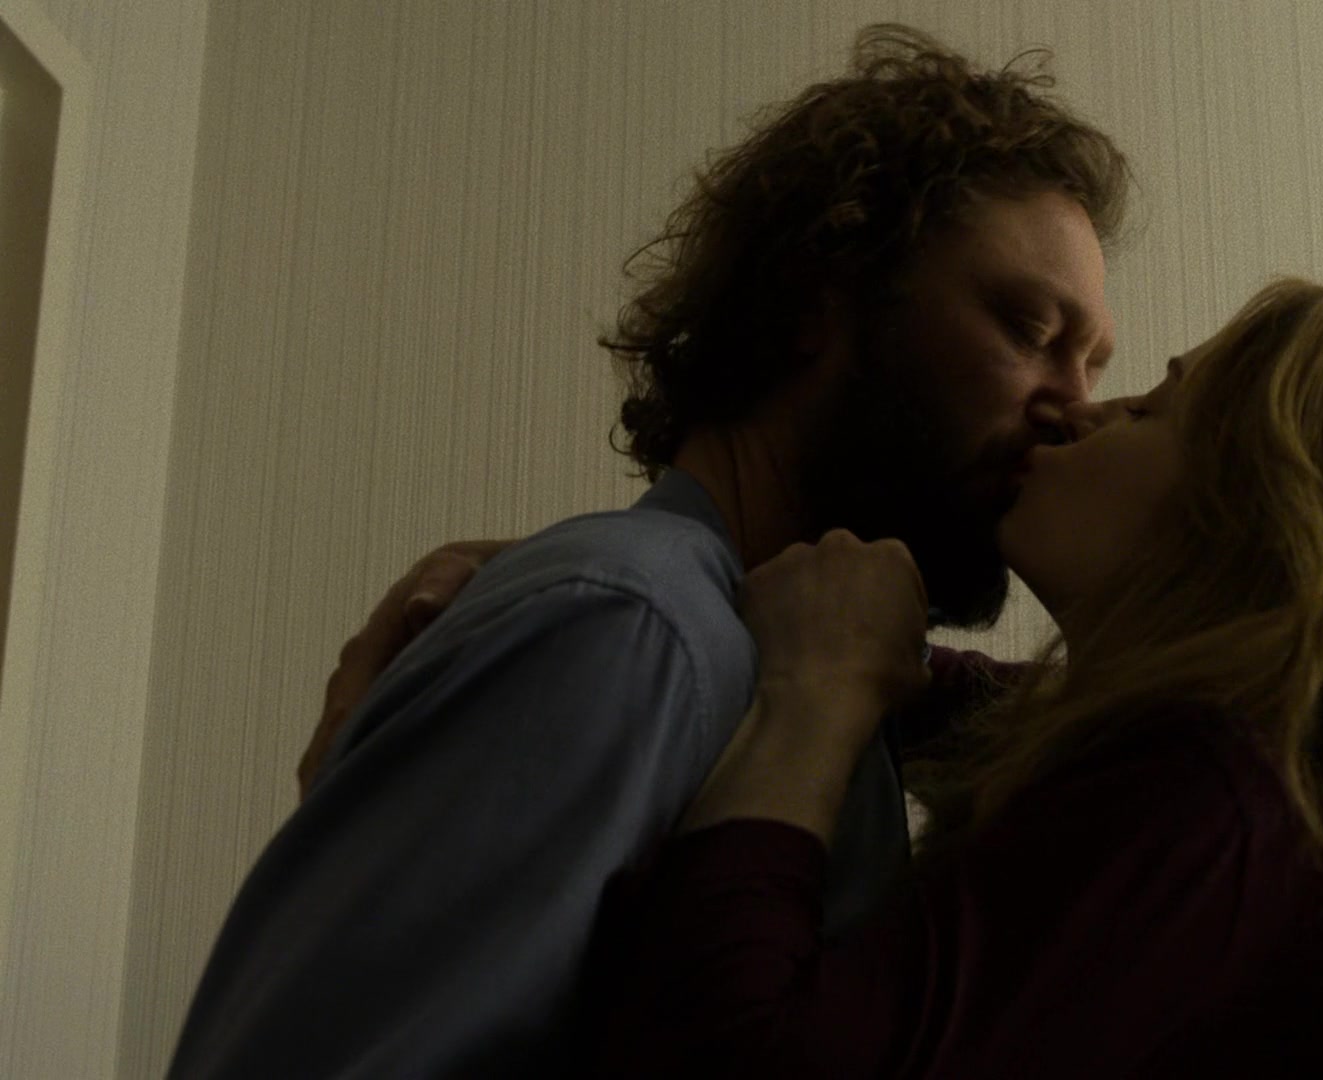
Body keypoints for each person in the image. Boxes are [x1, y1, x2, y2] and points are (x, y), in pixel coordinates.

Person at [315, 279, 1323, 1077]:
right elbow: (981, 712)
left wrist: (818, 700)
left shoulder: (1213, 815)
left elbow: (728, 1060)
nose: (1080, 412)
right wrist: (606, 586)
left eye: (1153, 406)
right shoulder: (1216, 806)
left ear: (1267, 523)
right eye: (1030, 332)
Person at [168, 25, 1128, 1079]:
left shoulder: (804, 668)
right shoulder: (633, 630)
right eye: (1030, 330)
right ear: (816, 303)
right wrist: (602, 610)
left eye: (1092, 364)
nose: (1076, 410)